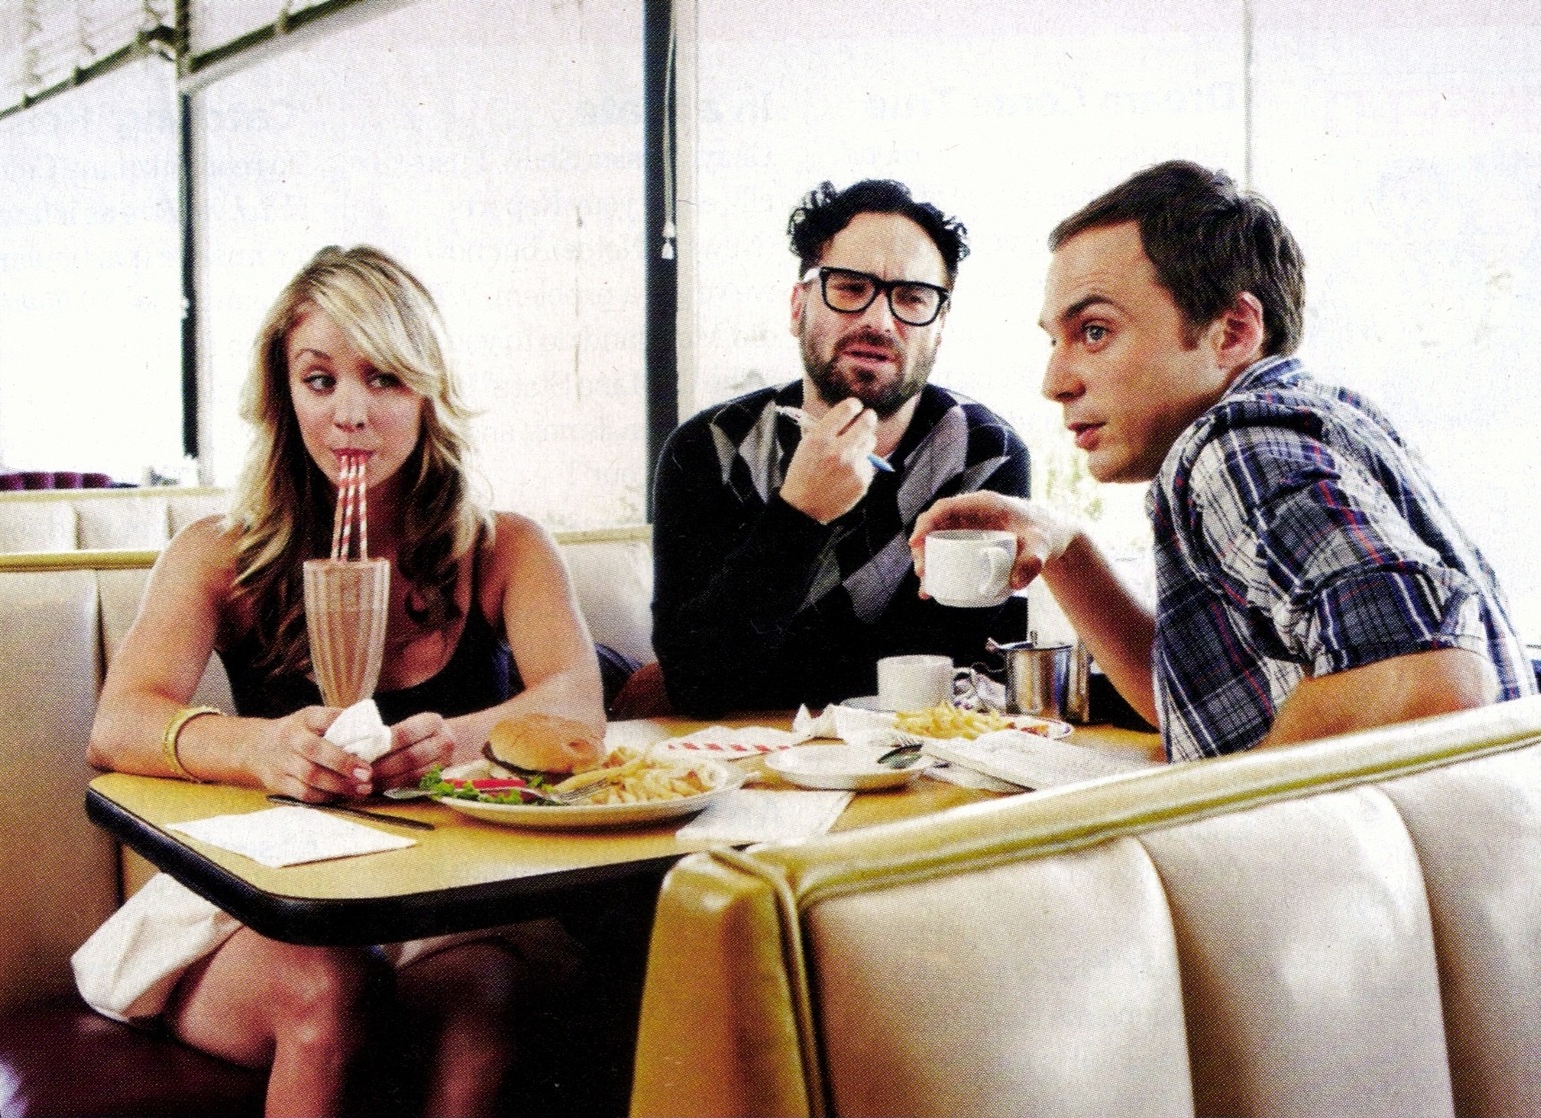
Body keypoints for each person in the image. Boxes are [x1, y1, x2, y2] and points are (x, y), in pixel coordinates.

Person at [78, 245, 605, 1117]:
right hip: (271, 909)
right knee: (328, 990)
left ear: (427, 391)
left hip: (448, 906)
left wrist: (450, 740)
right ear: (283, 394)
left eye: (384, 378)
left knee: (484, 1007)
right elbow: (119, 721)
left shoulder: (503, 547)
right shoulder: (221, 554)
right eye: (319, 381)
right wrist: (261, 749)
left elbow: (575, 702)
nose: (350, 414)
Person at [912, 160, 1534, 761]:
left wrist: (1208, 819)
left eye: (1095, 331)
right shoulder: (1323, 417)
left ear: (1233, 331)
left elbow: (1432, 681)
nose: (1055, 382)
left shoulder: (1235, 447)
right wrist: (1064, 545)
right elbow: (1200, 705)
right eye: (1055, 339)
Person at [652, 179, 1030, 714]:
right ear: (798, 307)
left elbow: (948, 674)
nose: (879, 321)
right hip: (745, 758)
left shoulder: (984, 455)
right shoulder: (707, 448)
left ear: (940, 327)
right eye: (851, 288)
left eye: (912, 298)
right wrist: (799, 514)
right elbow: (697, 685)